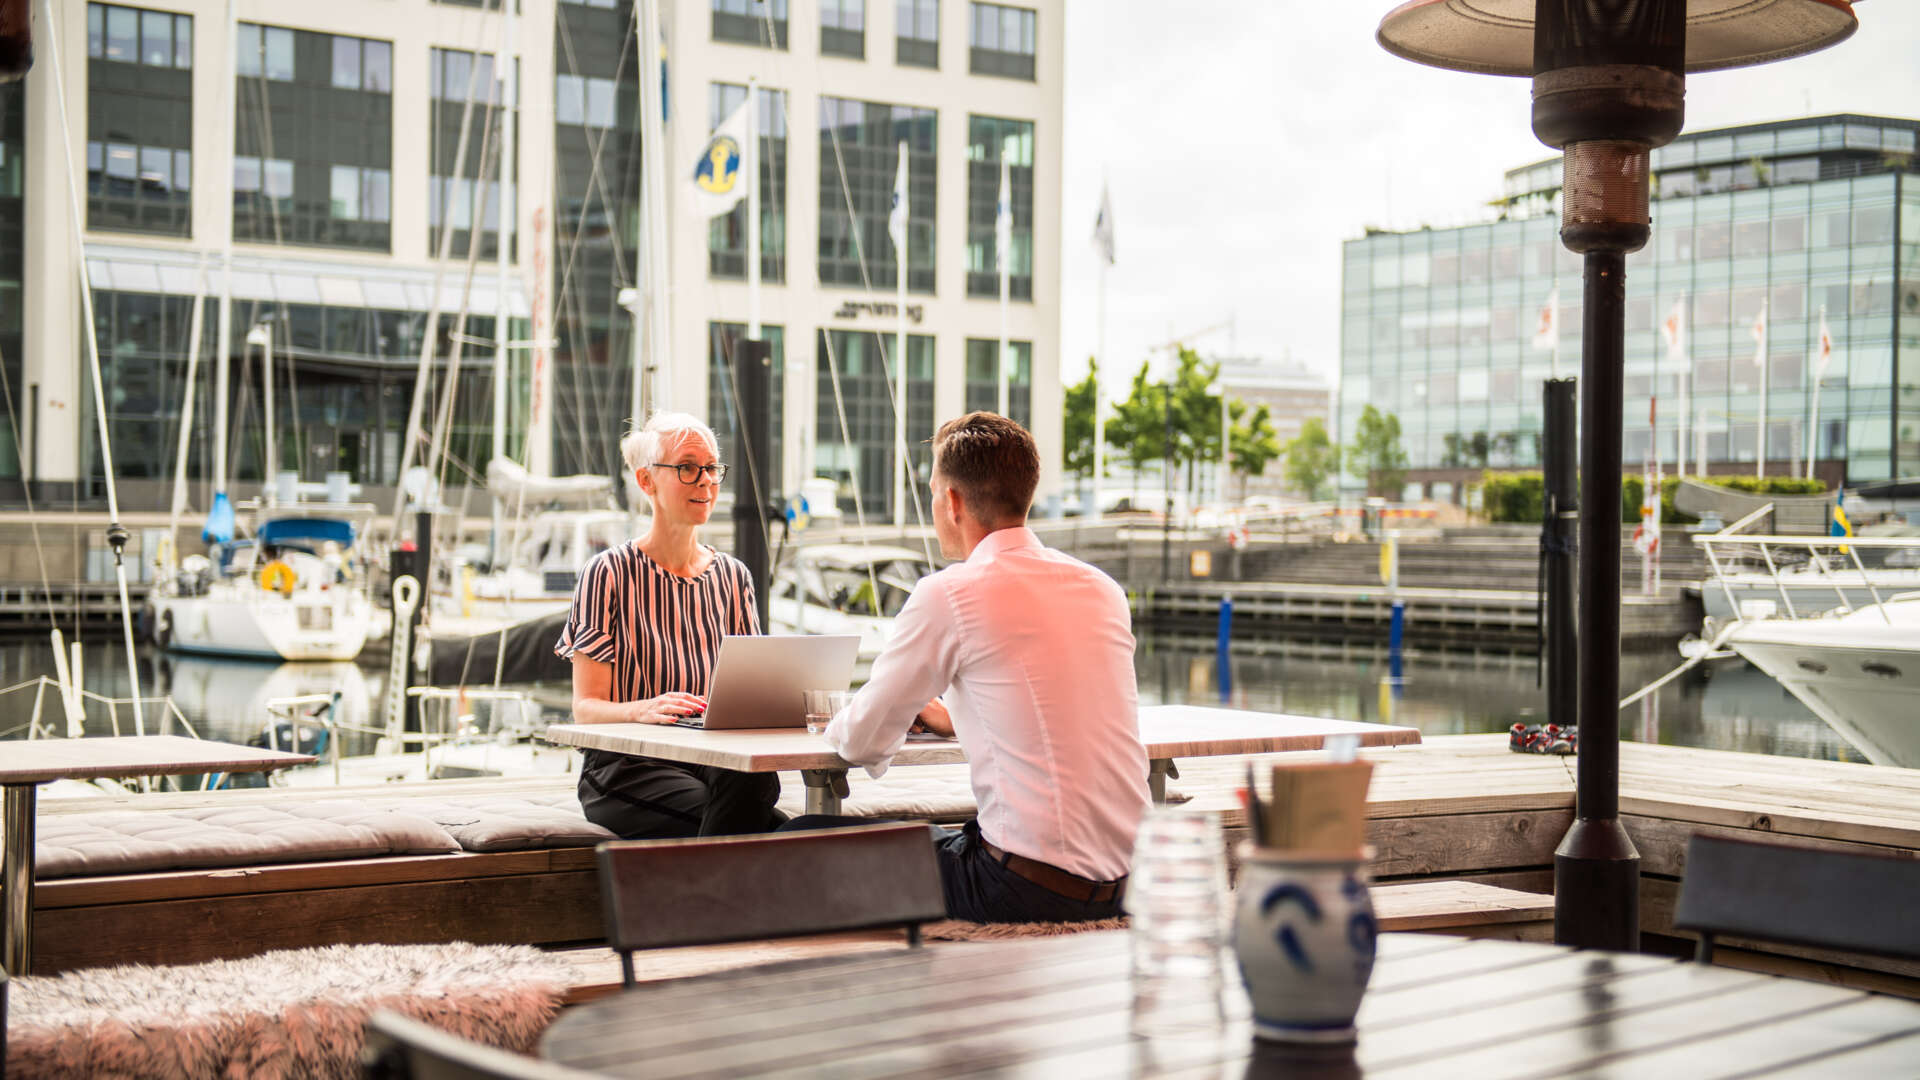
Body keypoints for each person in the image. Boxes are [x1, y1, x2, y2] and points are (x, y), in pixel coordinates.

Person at [819, 411, 1150, 922]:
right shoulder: (1101, 589)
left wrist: (838, 716)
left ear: (951, 501)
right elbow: (1056, 698)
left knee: (794, 842)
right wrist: (960, 714)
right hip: (1130, 882)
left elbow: (860, 741)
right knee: (939, 834)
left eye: (932, 491)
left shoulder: (950, 593)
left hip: (1026, 889)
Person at [553, 412, 783, 838]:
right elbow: (585, 708)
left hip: (711, 759)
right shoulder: (608, 572)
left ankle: (708, 904)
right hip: (627, 767)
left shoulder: (733, 577)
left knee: (757, 780)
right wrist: (641, 710)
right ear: (647, 481)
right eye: (688, 467)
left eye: (712, 468)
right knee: (779, 831)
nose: (706, 481)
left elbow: (753, 694)